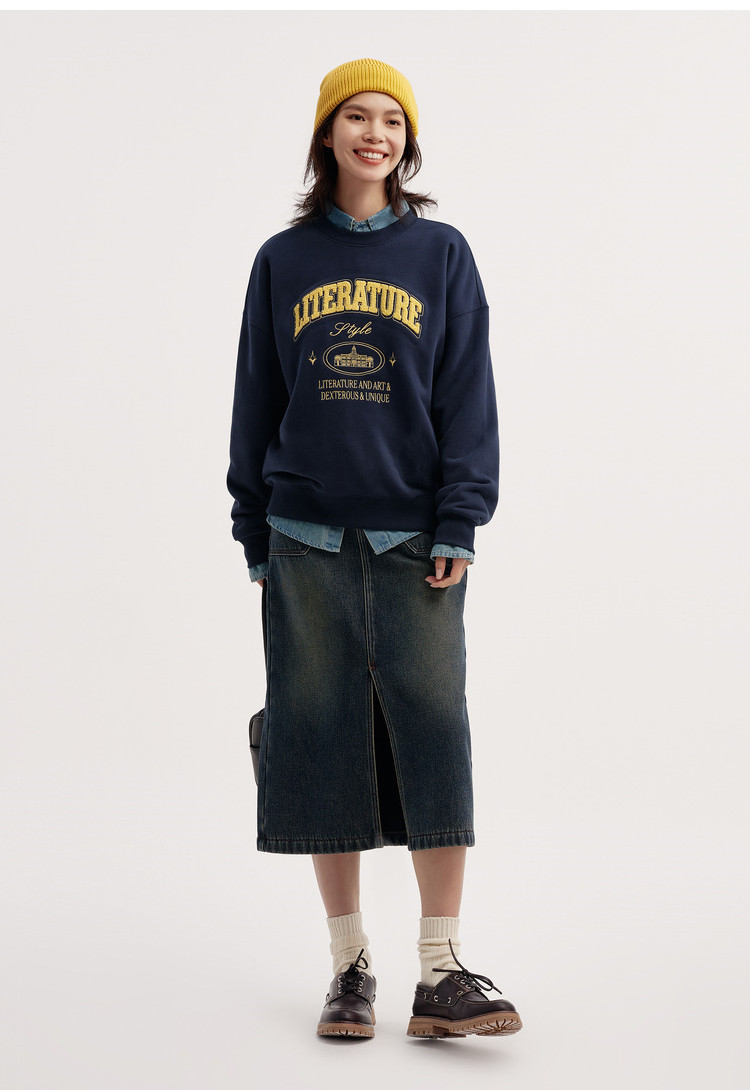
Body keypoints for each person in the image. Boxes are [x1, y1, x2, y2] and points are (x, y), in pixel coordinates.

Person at [226, 57, 523, 1041]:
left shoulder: (441, 253)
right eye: (356, 116)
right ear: (327, 134)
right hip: (303, 538)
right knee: (320, 738)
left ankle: (442, 968)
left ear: (408, 141)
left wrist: (461, 517)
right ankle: (349, 966)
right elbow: (256, 396)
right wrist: (253, 527)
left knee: (434, 730)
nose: (375, 135)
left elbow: (468, 394)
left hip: (414, 539)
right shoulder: (283, 259)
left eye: (392, 121)